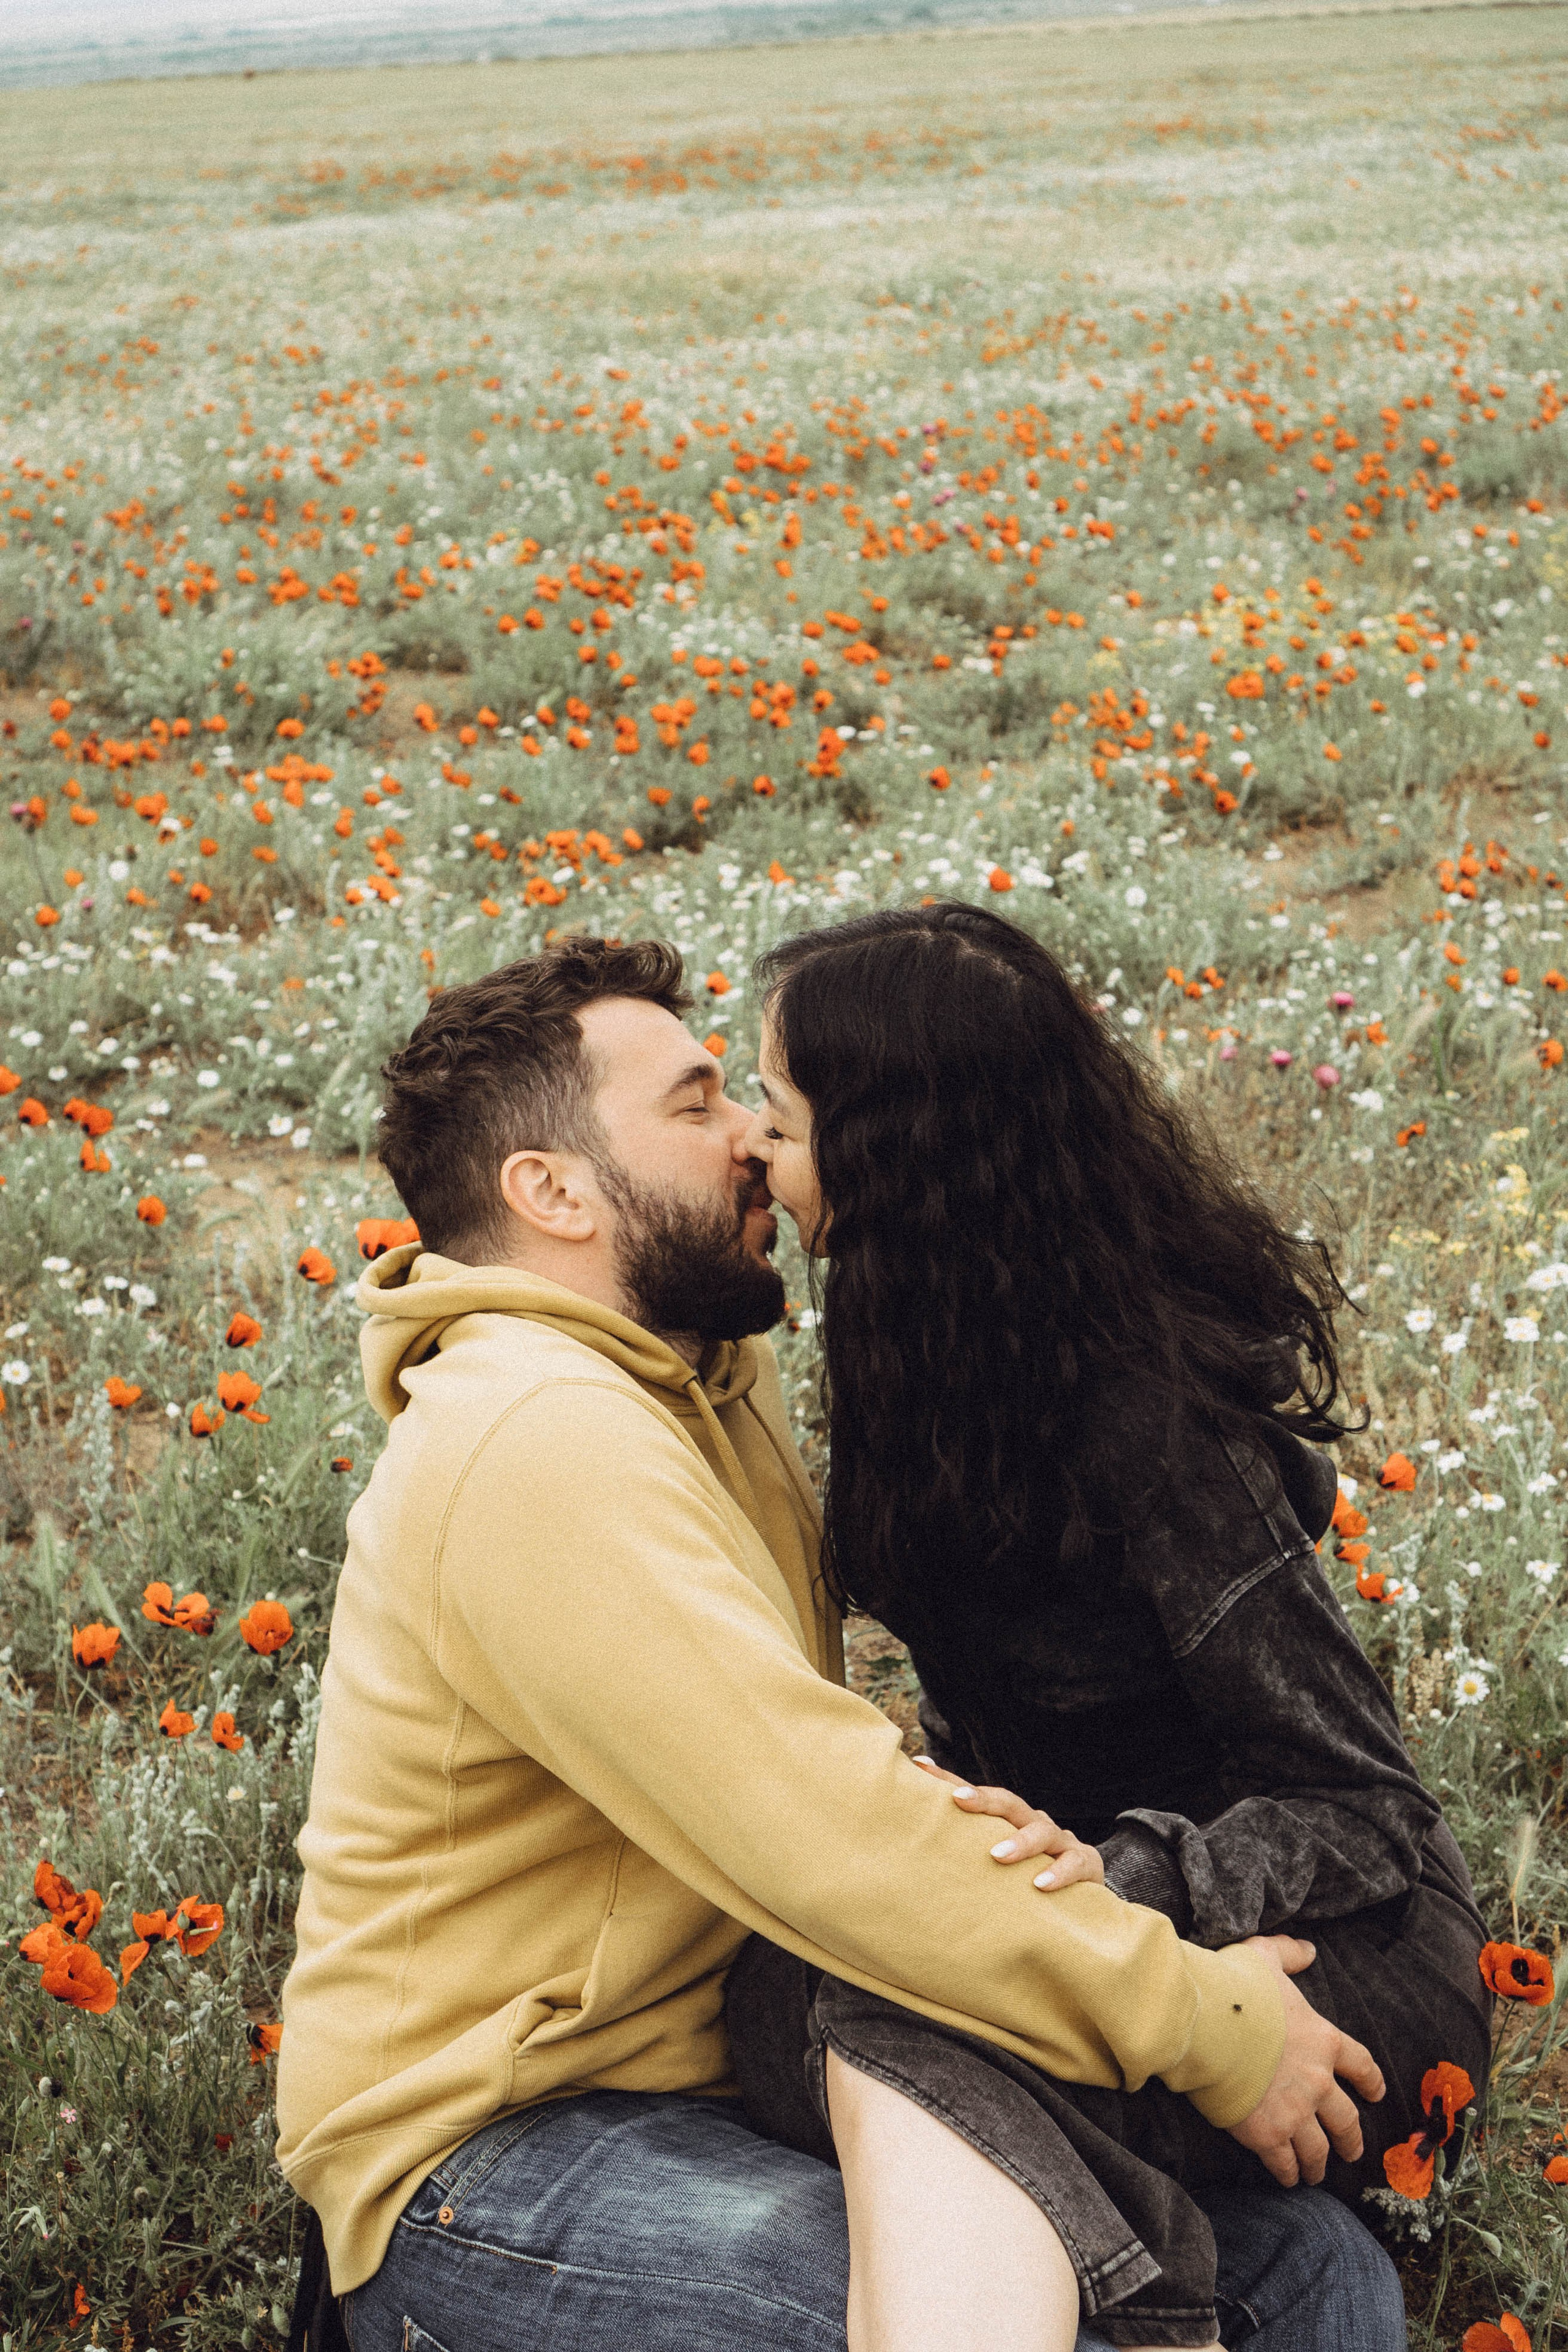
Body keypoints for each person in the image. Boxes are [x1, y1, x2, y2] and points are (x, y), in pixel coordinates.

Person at [277, 935, 1402, 2352]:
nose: (754, 1137)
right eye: (695, 1106)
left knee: (1309, 2274)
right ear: (550, 1190)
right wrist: (1198, 2015)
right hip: (496, 2156)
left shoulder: (695, 1383)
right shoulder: (530, 1440)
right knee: (1044, 2324)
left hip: (738, 2082)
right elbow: (828, 1829)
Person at [725, 899, 1491, 2347]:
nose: (758, 1150)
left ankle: (1147, 2313)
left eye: (783, 1115)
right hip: (1077, 1941)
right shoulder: (920, 1349)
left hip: (1319, 1951)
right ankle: (1206, 2249)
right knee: (777, 2008)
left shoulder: (1146, 1419)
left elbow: (1363, 1808)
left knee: (868, 2039)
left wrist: (1133, 1882)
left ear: (902, 1164)